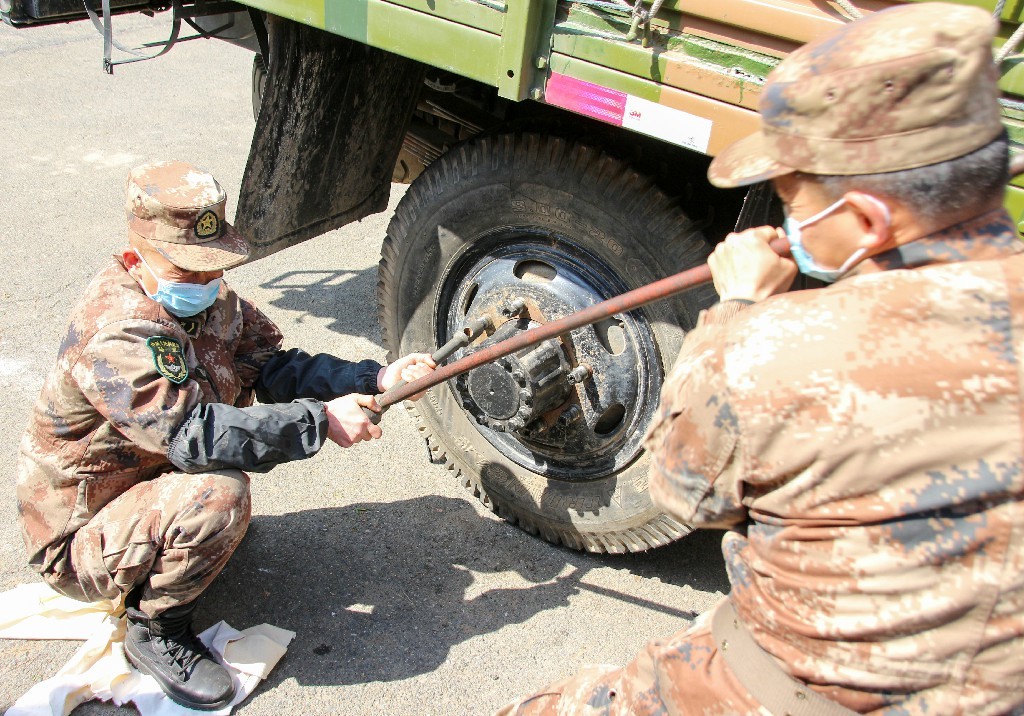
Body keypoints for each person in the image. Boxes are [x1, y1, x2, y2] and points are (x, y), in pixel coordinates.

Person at [497, 3, 1024, 715]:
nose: (785, 222)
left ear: (867, 220)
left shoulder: (773, 355)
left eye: (788, 198)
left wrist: (738, 311)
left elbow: (683, 494)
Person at [15, 160, 436, 711]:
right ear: (136, 257)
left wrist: (376, 377)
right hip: (84, 530)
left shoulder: (210, 299)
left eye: (213, 266)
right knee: (219, 495)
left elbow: (273, 367)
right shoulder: (117, 330)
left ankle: (172, 535)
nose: (207, 282)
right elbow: (194, 435)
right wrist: (322, 421)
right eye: (189, 269)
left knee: (214, 494)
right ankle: (158, 629)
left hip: (148, 473)